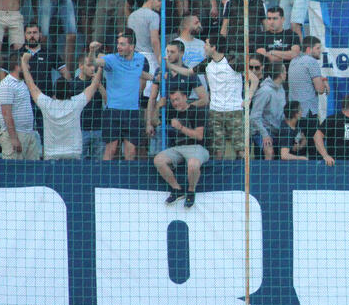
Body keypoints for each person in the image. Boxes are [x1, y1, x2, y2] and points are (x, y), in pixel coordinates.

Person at [19, 49, 101, 160]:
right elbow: (94, 85)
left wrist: (24, 63)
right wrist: (100, 66)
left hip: (52, 156)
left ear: (54, 93)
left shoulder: (47, 104)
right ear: (69, 91)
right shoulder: (76, 103)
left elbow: (31, 85)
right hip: (73, 154)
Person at [90, 31, 152, 161]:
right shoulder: (111, 59)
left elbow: (138, 73)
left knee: (131, 151)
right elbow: (94, 62)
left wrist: (155, 78)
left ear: (132, 46)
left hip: (132, 111)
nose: (118, 47)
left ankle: (128, 180)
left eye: (122, 44)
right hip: (113, 111)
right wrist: (91, 51)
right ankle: (105, 180)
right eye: (118, 44)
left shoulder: (140, 59)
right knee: (111, 149)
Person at [192, 33, 246, 160]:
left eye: (206, 44)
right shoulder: (207, 63)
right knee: (217, 150)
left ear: (214, 47)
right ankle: (219, 177)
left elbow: (253, 79)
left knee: (241, 149)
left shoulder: (233, 61)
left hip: (235, 110)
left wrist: (247, 98)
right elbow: (188, 72)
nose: (204, 47)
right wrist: (170, 66)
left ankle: (244, 177)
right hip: (215, 111)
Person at [155, 89, 208, 208]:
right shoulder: (170, 112)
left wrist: (180, 127)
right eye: (173, 100)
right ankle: (176, 189)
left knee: (193, 164)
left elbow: (199, 136)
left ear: (185, 97)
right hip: (178, 148)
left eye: (177, 99)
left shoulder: (197, 111)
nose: (175, 103)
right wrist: (158, 106)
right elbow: (154, 122)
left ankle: (191, 191)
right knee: (158, 160)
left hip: (197, 147)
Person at [0, 49, 40, 159]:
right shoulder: (6, 85)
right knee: (14, 171)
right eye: (26, 65)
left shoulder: (22, 83)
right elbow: (6, 113)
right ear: (17, 66)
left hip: (28, 133)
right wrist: (14, 138)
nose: (29, 68)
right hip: (15, 135)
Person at [287, 34, 327, 151]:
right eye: (318, 48)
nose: (320, 51)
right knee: (314, 146)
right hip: (308, 112)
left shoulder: (293, 61)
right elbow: (320, 89)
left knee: (299, 146)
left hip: (295, 111)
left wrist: (323, 79)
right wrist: (324, 84)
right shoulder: (311, 61)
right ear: (309, 49)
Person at [250, 62, 287, 160]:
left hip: (278, 130)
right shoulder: (265, 91)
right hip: (263, 131)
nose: (286, 73)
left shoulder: (281, 89)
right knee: (269, 151)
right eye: (284, 71)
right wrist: (265, 134)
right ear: (280, 73)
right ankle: (266, 175)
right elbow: (254, 116)